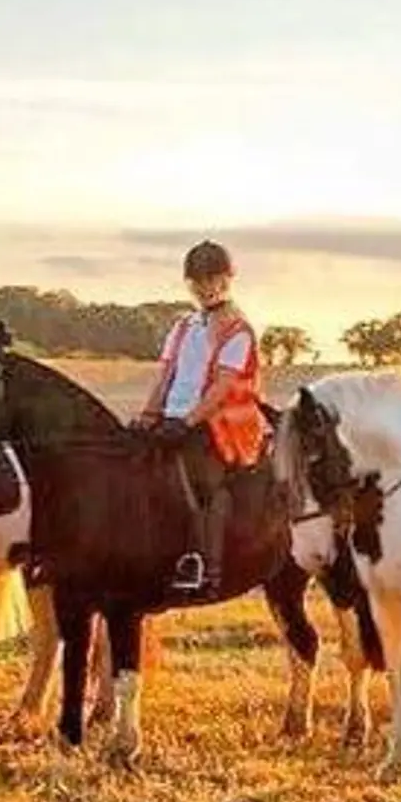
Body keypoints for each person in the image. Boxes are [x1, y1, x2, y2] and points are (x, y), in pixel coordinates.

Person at [133, 239, 267, 597]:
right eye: (197, 281)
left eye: (212, 279)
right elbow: (165, 377)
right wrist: (148, 416)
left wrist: (188, 423)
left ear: (227, 279)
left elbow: (221, 388)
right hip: (171, 417)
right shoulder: (183, 326)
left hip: (216, 427)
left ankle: (204, 566)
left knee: (201, 483)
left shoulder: (238, 331)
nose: (205, 287)